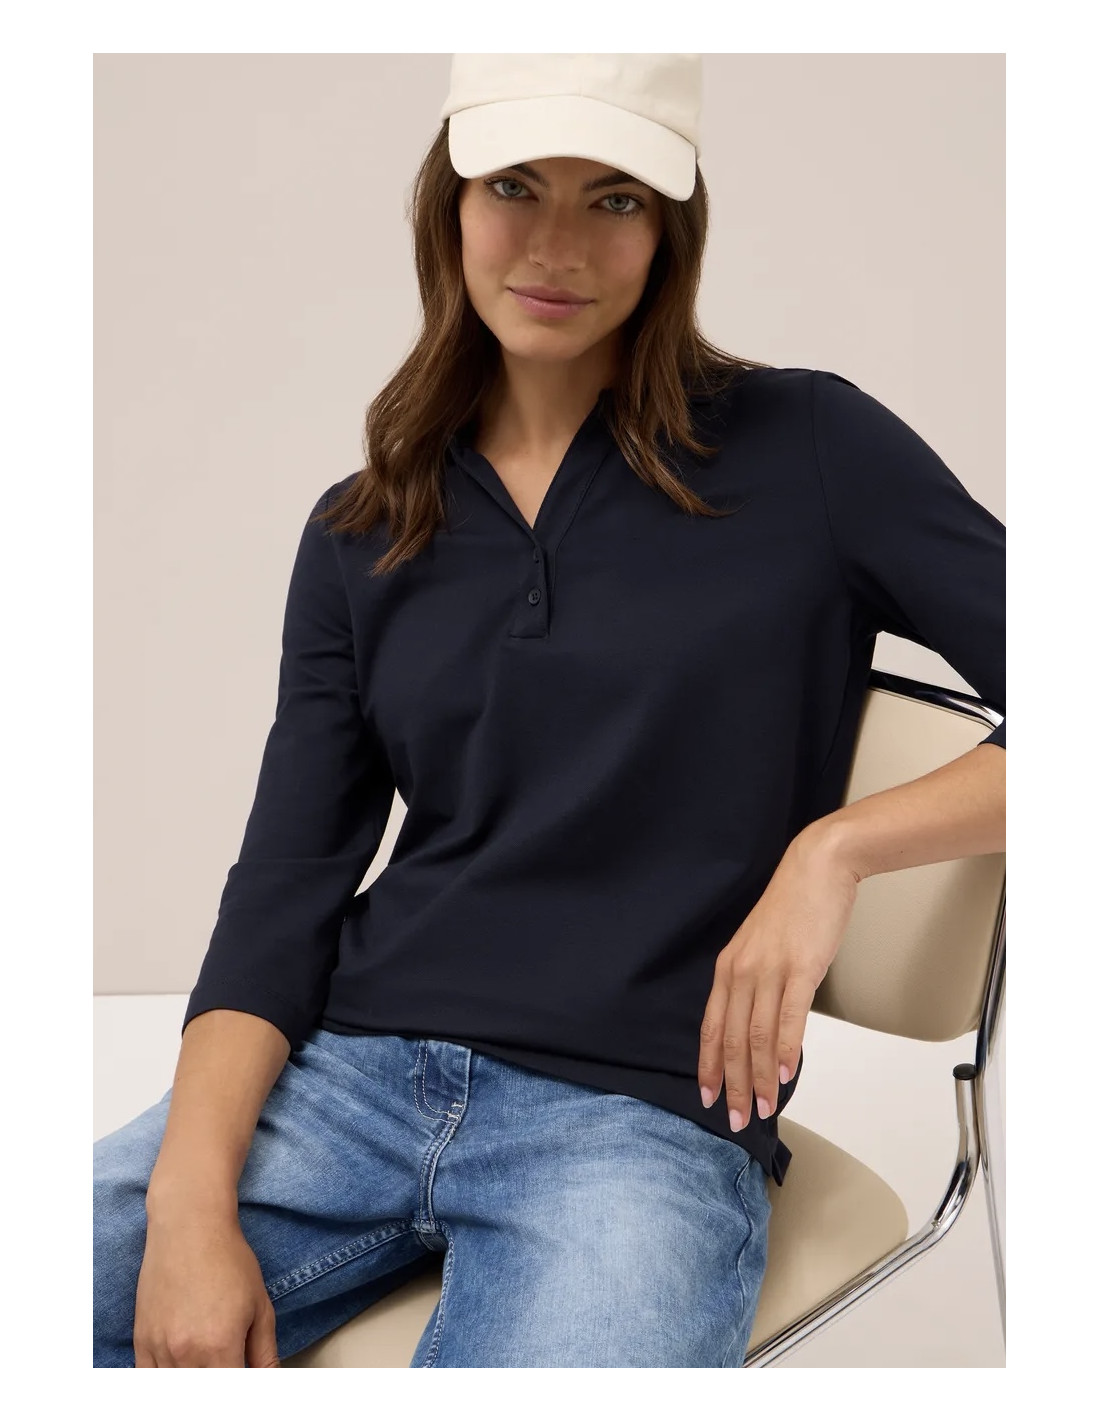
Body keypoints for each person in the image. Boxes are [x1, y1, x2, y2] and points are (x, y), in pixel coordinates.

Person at [93, 54, 1006, 1368]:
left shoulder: (809, 446)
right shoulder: (364, 528)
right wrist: (189, 1207)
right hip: (344, 1076)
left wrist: (839, 848)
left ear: (671, 230)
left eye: (615, 199)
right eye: (515, 186)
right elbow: (285, 887)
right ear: (450, 205)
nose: (557, 245)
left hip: (638, 1118)